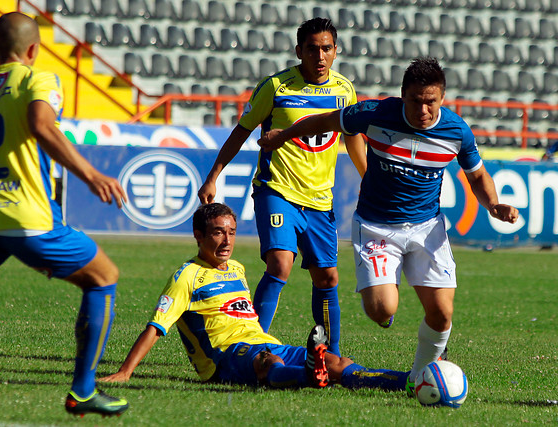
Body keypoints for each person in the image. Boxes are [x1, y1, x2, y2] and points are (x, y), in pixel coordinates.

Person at [257, 57, 519, 394]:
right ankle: (392, 317)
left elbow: (478, 175)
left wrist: (493, 204)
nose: (423, 109)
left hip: (427, 228)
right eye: (416, 100)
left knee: (441, 315)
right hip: (377, 226)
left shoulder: (456, 132)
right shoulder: (375, 113)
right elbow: (325, 121)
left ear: (442, 98)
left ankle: (421, 377)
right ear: (402, 96)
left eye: (431, 101)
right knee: (382, 311)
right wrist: (285, 135)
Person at [0, 12, 128, 417]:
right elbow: (42, 125)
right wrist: (90, 174)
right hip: (25, 217)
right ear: (34, 49)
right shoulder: (39, 79)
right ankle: (83, 391)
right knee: (104, 278)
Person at [101, 203, 408, 392]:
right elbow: (155, 327)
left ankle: (405, 380)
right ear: (199, 235)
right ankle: (310, 376)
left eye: (232, 232)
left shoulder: (236, 269)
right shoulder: (186, 277)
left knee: (337, 363)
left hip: (264, 341)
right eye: (218, 232)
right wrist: (125, 373)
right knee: (267, 363)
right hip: (226, 357)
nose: (227, 240)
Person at [198, 17, 366, 357]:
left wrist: (370, 180)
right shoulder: (276, 87)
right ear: (298, 51)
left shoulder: (344, 90)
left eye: (326, 49)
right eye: (312, 49)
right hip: (277, 190)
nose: (319, 56)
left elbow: (353, 139)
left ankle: (331, 353)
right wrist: (213, 175)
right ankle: (249, 345)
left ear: (336, 51)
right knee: (280, 265)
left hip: (320, 200)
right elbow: (242, 131)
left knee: (328, 279)